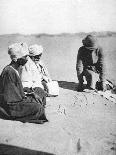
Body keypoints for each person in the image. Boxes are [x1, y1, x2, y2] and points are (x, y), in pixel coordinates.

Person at [0, 43, 48, 124]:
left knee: (40, 92)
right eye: (25, 57)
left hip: (18, 98)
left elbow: (17, 89)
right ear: (16, 59)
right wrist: (27, 98)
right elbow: (11, 100)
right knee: (37, 107)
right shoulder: (9, 72)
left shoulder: (16, 69)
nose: (27, 59)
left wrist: (30, 92)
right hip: (11, 107)